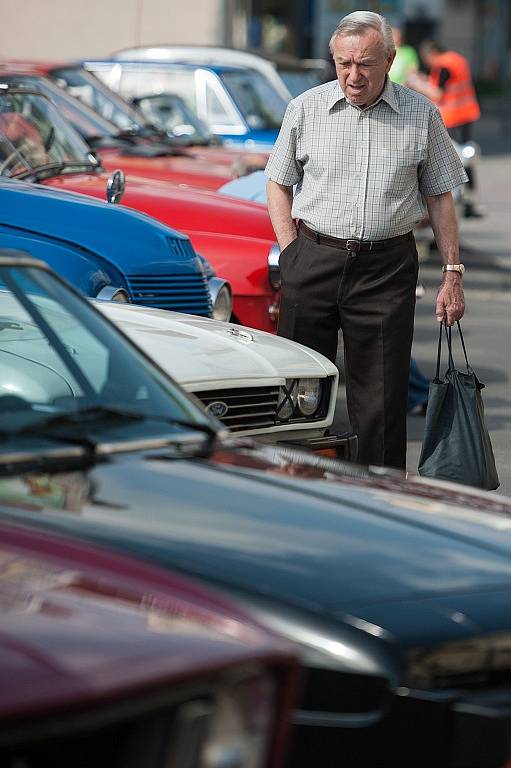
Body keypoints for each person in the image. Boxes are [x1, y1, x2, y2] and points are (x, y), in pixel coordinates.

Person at [265, 10, 467, 470]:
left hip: (386, 268)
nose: (353, 76)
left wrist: (452, 274)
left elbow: (440, 196)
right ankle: (295, 488)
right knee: (299, 391)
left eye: (365, 65)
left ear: (390, 60)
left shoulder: (421, 115)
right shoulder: (305, 108)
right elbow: (277, 181)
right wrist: (291, 250)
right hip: (312, 258)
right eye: (343, 64)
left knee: (381, 399)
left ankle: (380, 499)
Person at [411, 40, 482, 216]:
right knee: (466, 156)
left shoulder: (444, 66)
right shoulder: (457, 60)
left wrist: (418, 84)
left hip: (453, 117)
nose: (427, 63)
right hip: (466, 113)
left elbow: (437, 93)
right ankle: (469, 198)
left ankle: (460, 197)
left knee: (456, 157)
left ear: (432, 53)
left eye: (426, 59)